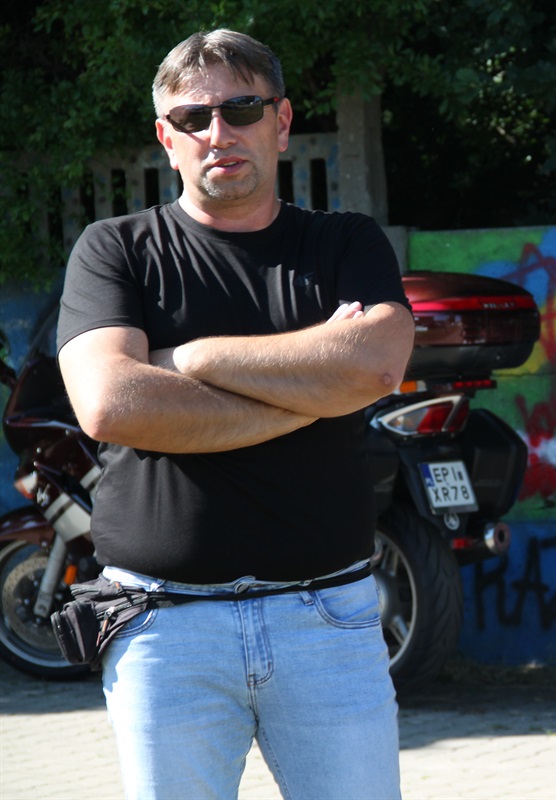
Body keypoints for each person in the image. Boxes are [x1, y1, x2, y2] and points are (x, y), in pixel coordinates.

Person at [56, 29, 413, 799]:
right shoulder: (115, 250)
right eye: (193, 118)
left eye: (241, 109)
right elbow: (109, 404)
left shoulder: (344, 242)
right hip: (162, 628)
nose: (218, 132)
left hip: (328, 620)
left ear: (280, 122)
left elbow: (376, 366)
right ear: (167, 139)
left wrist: (187, 359)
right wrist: (314, 389)